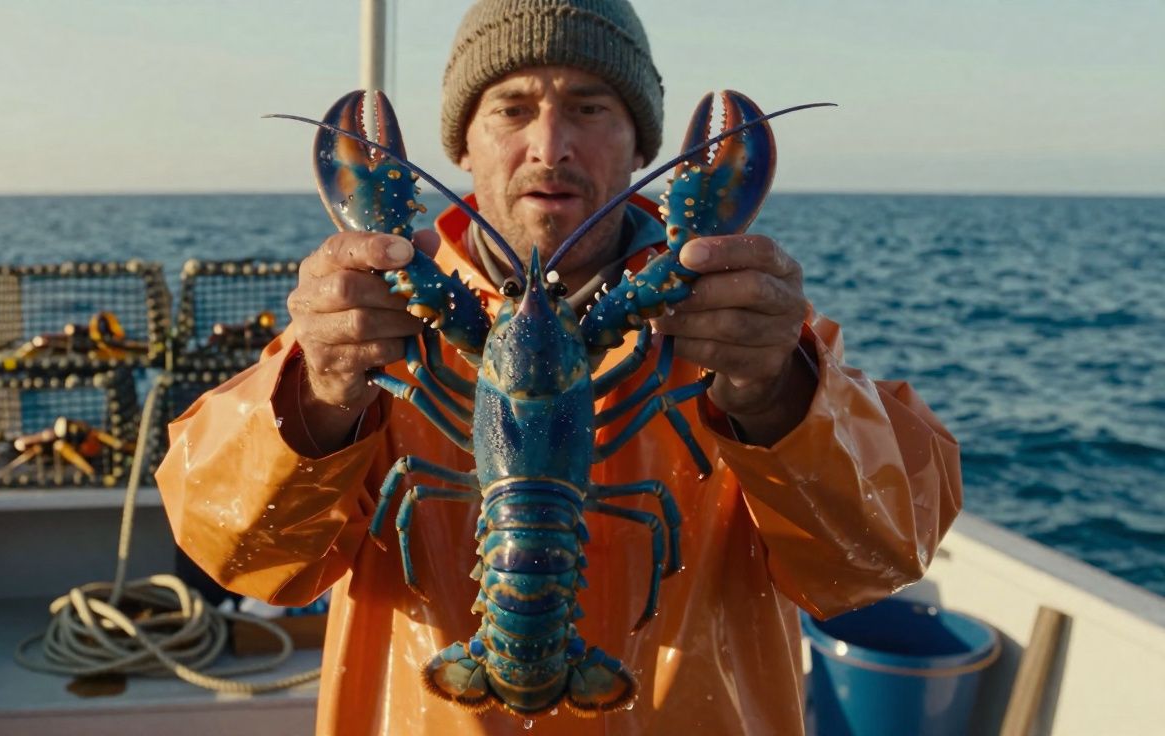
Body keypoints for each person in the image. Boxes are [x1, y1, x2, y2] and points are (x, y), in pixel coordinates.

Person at [156, 0, 962, 733]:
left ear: (642, 142)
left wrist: (782, 396)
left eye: (590, 107)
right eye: (511, 108)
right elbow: (236, 554)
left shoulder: (758, 335)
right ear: (462, 145)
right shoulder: (361, 331)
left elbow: (880, 555)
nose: (550, 144)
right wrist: (319, 399)